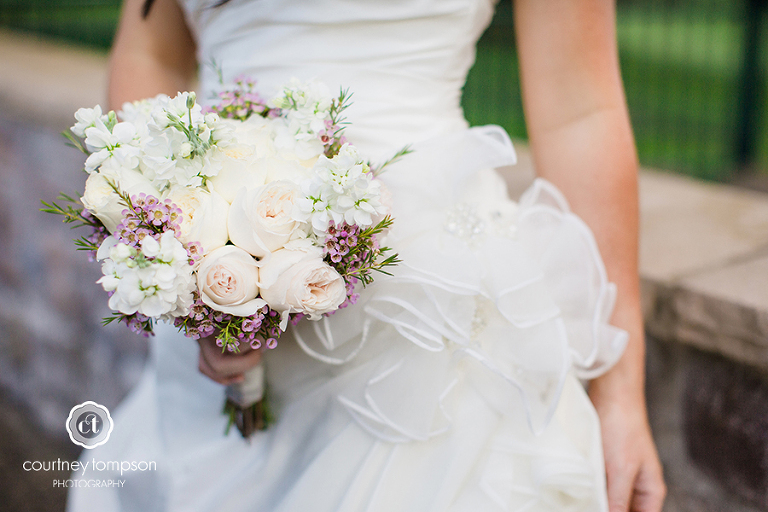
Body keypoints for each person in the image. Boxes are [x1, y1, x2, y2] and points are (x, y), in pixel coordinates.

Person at [68, 0, 666, 511]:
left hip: (430, 329)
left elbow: (580, 109)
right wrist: (177, 253)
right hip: (209, 324)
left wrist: (620, 396)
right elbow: (151, 52)